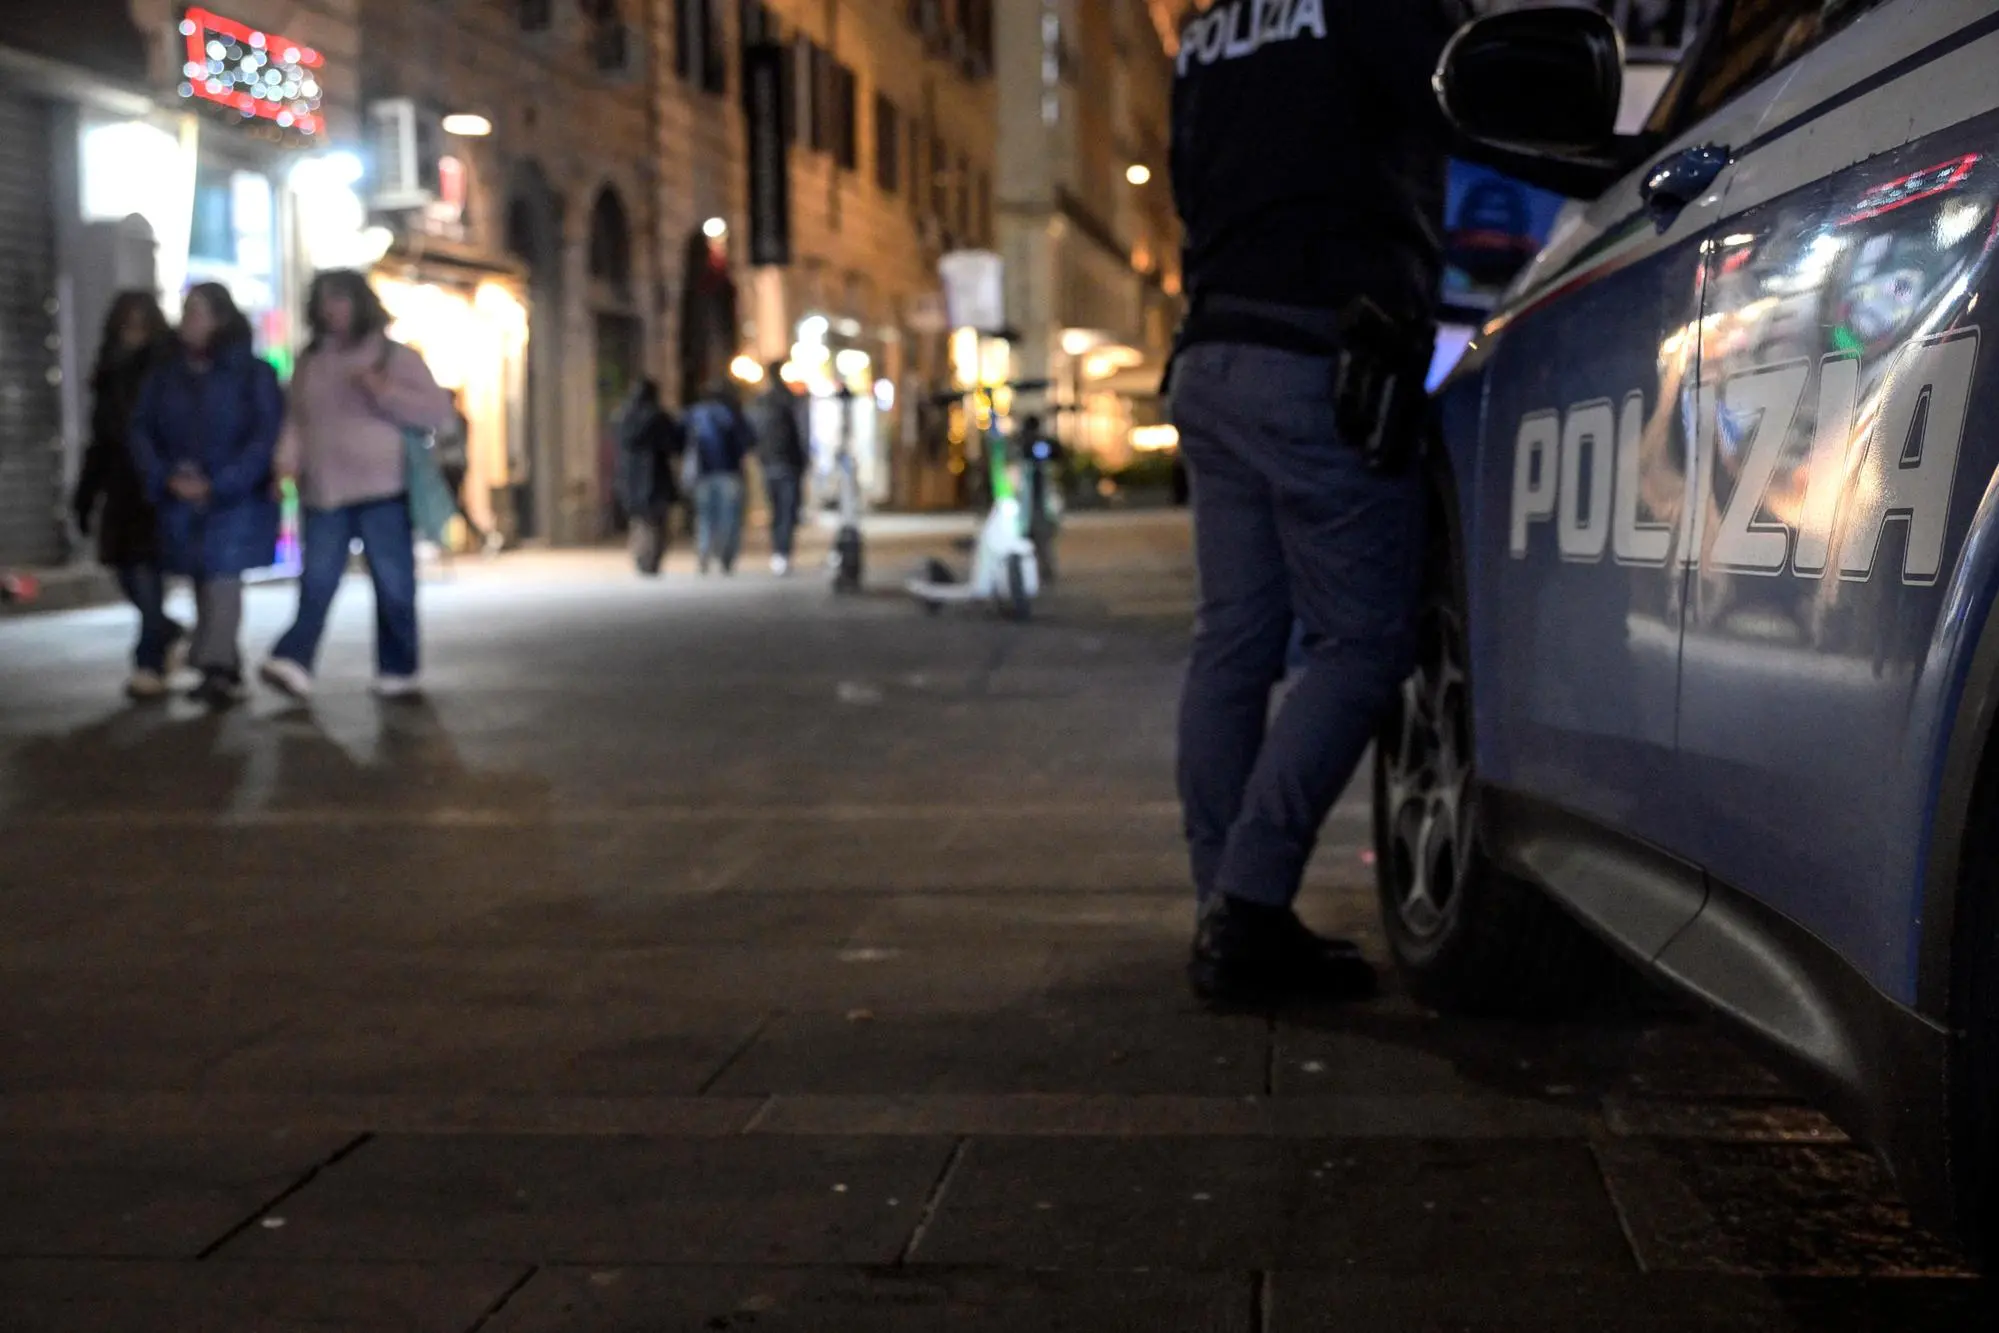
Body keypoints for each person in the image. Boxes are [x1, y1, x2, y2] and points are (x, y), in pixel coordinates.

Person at [1169, 0, 1467, 1005]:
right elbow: (1466, 106)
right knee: (1363, 643)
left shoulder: (1212, 27)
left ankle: (1221, 906)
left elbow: (1187, 184)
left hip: (1212, 349)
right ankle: (1247, 910)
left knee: (1234, 642)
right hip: (1316, 357)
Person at [260, 270, 451, 701]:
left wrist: (383, 391)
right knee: (317, 581)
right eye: (325, 300)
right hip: (324, 489)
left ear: (359, 303)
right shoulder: (310, 361)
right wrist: (284, 464)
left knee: (394, 584)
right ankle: (294, 660)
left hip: (383, 488)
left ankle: (398, 667)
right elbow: (298, 421)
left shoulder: (392, 356)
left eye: (340, 299)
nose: (332, 309)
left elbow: (436, 411)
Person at [127, 283, 283, 708]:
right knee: (202, 576)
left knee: (222, 577)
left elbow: (263, 436)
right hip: (181, 491)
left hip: (235, 497)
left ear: (220, 319)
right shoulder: (166, 375)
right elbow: (141, 427)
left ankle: (213, 663)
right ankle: (224, 668)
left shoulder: (253, 373)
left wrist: (222, 482)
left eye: (197, 313)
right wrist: (165, 476)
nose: (187, 322)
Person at [73, 291, 185, 700]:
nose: (133, 331)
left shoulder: (165, 368)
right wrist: (84, 496)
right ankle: (165, 632)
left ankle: (149, 661)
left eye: (140, 323)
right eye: (127, 323)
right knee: (127, 571)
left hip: (154, 484)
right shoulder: (109, 372)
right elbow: (99, 440)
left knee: (145, 571)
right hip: (120, 484)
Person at [682, 379, 755, 575]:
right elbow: (747, 441)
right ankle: (726, 558)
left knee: (705, 517)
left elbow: (680, 439)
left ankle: (704, 554)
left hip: (703, 474)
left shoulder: (695, 414)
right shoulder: (732, 414)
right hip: (729, 472)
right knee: (729, 518)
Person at [614, 379, 684, 576]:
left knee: (638, 521)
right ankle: (652, 558)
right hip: (655, 476)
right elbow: (674, 444)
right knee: (657, 522)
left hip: (630, 478)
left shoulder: (623, 417)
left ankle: (641, 556)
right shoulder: (658, 417)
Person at [745, 364, 809, 575]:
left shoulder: (760, 402)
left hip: (769, 464)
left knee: (776, 510)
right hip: (790, 464)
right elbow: (802, 432)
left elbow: (751, 433)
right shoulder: (791, 400)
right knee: (787, 511)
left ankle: (778, 552)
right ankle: (783, 551)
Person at [432, 390, 499, 556]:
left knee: (453, 504)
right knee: (450, 504)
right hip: (448, 465)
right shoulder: (448, 419)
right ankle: (443, 540)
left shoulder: (456, 419)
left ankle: (482, 536)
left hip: (453, 466)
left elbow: (450, 442)